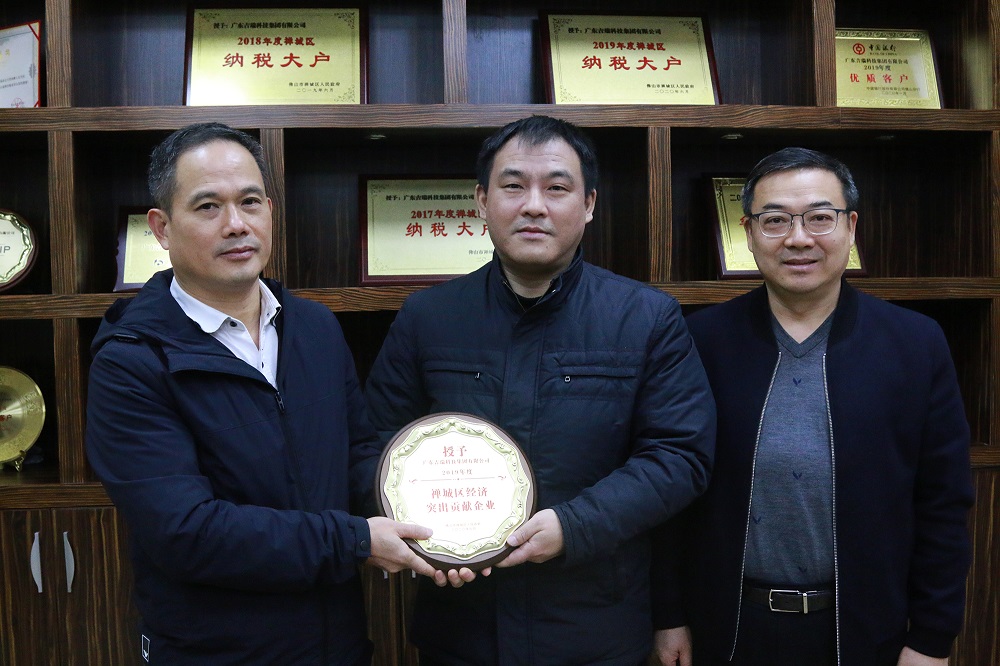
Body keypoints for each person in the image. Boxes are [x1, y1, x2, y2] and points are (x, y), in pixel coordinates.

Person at [85, 122, 447, 665]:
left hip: (338, 644)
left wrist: (438, 528)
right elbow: (187, 533)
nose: (236, 224)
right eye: (208, 206)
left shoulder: (316, 328)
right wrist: (354, 540)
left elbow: (356, 454)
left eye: (250, 202)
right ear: (161, 228)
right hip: (215, 652)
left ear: (270, 212)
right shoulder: (131, 361)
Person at [364, 115, 717, 665]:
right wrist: (421, 536)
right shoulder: (427, 317)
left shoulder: (646, 318)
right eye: (513, 186)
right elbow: (374, 443)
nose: (533, 206)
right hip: (461, 629)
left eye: (556, 188)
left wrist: (573, 527)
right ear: (482, 201)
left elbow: (679, 456)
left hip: (594, 628)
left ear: (589, 203)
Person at [656, 147, 974, 666]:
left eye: (820, 218)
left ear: (851, 227)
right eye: (775, 220)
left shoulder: (915, 344)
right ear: (748, 232)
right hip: (727, 628)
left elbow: (943, 503)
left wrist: (931, 639)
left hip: (865, 631)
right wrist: (668, 615)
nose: (798, 238)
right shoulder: (700, 341)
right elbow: (671, 493)